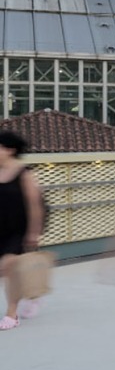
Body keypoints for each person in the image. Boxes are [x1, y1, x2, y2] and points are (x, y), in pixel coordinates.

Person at [0, 131, 47, 330]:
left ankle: (12, 314)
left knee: (8, 267)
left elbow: (35, 205)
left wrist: (32, 233)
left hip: (19, 228)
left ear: (10, 150)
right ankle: (32, 295)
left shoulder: (24, 173)